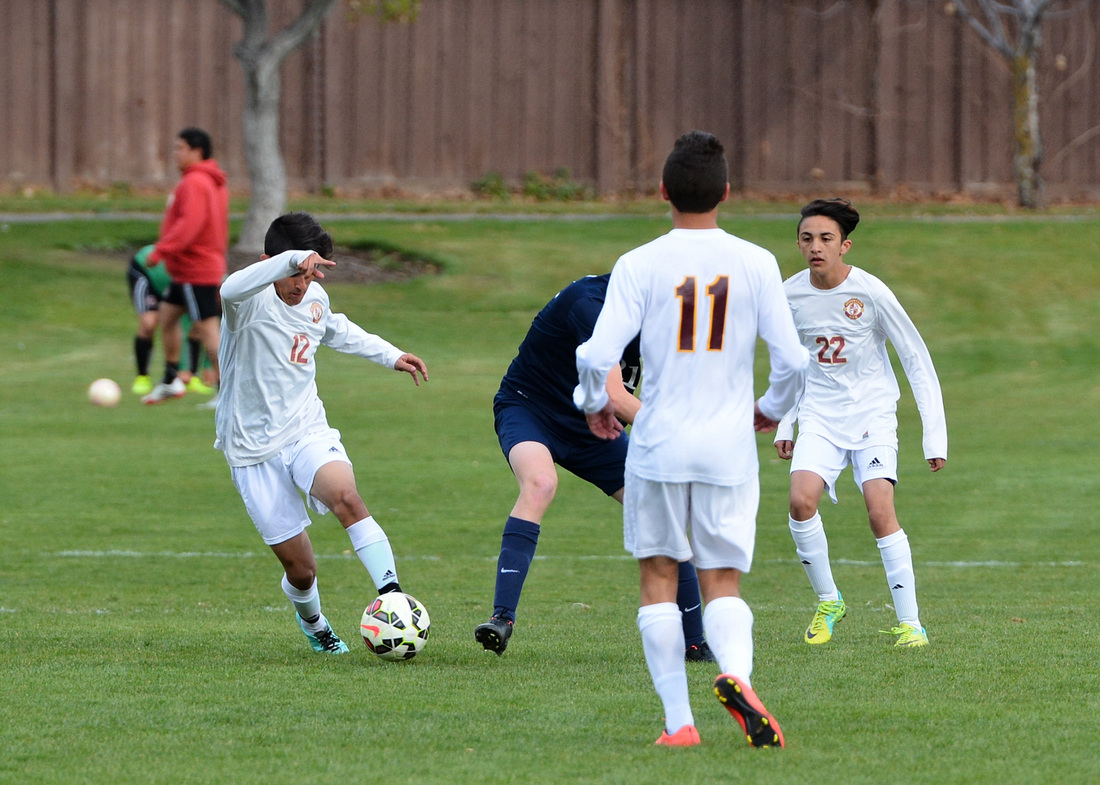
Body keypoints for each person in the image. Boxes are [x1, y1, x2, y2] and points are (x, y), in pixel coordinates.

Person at [574, 131, 808, 748]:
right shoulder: (756, 262)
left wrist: (595, 404)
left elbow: (595, 354)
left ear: (662, 192)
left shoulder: (640, 263)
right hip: (727, 446)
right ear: (726, 192)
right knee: (722, 578)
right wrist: (769, 409)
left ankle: (679, 724)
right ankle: (737, 678)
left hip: (658, 444)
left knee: (658, 576)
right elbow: (794, 361)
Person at [214, 211, 429, 654]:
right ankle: (314, 624)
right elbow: (228, 287)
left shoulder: (315, 299)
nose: (302, 284)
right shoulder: (246, 302)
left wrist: (391, 355)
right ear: (271, 263)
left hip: (305, 429)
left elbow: (338, 329)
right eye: (297, 274)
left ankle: (392, 595)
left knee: (346, 496)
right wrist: (292, 260)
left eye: (310, 275)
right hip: (251, 449)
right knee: (302, 571)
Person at [474, 273, 715, 662]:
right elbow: (616, 396)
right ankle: (501, 619)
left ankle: (694, 644)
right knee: (540, 483)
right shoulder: (589, 304)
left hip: (596, 428)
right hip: (530, 409)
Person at [772, 198, 947, 648]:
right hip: (819, 415)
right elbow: (792, 364)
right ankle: (829, 601)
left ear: (844, 245)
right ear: (798, 244)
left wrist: (934, 436)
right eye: (807, 238)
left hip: (872, 413)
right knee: (800, 502)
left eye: (826, 238)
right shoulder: (788, 295)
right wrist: (786, 424)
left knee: (879, 511)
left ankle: (911, 624)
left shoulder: (870, 292)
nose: (816, 246)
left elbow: (915, 357)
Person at [142, 127, 229, 406]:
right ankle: (170, 380)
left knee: (208, 330)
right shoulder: (210, 181)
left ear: (197, 151)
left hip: (196, 270)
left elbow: (189, 225)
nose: (175, 154)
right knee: (167, 318)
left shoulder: (194, 182)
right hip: (188, 271)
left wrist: (161, 250)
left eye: (180, 148)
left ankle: (225, 391)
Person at [128, 245, 215, 396]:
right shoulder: (193, 274)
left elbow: (208, 328)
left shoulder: (212, 283)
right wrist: (182, 370)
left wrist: (208, 367)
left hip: (173, 281)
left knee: (198, 326)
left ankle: (192, 376)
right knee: (149, 324)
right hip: (145, 272)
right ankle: (143, 377)